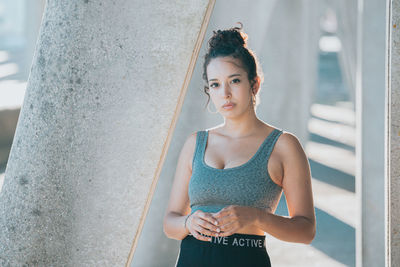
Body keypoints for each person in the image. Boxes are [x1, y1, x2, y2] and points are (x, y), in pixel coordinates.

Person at [163, 23, 316, 267]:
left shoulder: (283, 146)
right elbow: (170, 222)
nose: (224, 93)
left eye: (234, 81)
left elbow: (306, 230)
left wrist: (257, 218)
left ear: (254, 84)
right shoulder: (196, 143)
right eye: (215, 84)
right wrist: (187, 223)